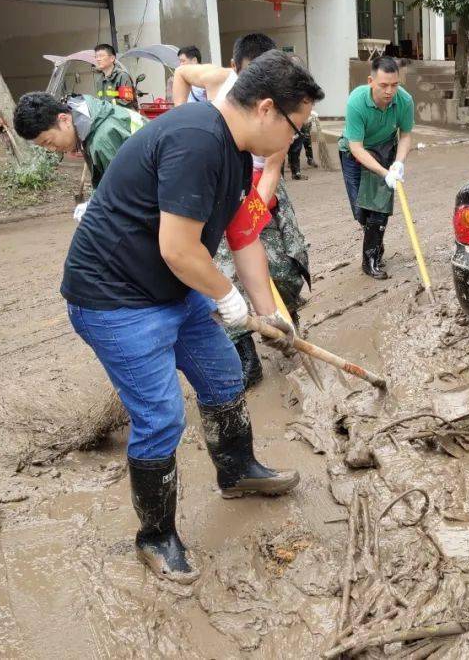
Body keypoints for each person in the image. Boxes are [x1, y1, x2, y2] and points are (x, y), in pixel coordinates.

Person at [62, 50, 321, 583]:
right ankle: (155, 537)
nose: (296, 141)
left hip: (173, 288)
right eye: (298, 128)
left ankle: (237, 471)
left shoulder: (236, 147)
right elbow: (180, 249)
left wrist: (270, 313)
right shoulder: (199, 140)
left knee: (223, 376)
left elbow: (243, 230)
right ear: (268, 110)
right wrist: (228, 300)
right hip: (115, 297)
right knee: (160, 419)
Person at [174, 34, 311, 389]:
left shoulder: (276, 123)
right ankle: (243, 353)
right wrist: (226, 293)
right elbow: (178, 249)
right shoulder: (208, 130)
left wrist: (249, 214)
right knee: (222, 276)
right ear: (238, 71)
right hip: (212, 193)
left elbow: (270, 173)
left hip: (252, 188)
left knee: (282, 265)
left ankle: (283, 318)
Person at [12, 92, 145, 220]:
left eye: (48, 142)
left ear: (63, 119)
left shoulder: (103, 138)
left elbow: (128, 196)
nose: (52, 149)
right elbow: (110, 183)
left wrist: (96, 208)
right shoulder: (90, 116)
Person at [339, 56, 415, 280]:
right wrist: (385, 173)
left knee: (378, 208)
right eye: (383, 85)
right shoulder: (357, 101)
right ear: (371, 80)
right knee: (361, 209)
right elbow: (356, 147)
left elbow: (406, 135)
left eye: (394, 84)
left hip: (385, 149)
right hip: (354, 153)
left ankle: (370, 258)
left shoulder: (405, 101)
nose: (389, 91)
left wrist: (398, 163)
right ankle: (375, 243)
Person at [93, 43, 138, 110]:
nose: (98, 59)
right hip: (109, 117)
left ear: (112, 58)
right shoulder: (99, 81)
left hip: (123, 117)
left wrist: (106, 105)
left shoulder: (122, 76)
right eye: (96, 57)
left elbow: (126, 101)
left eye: (101, 56)